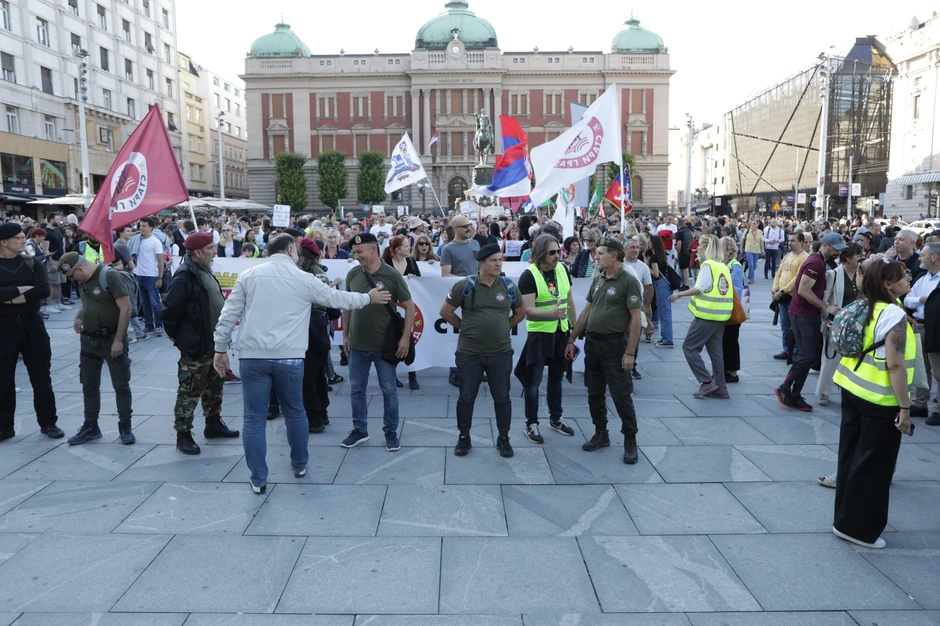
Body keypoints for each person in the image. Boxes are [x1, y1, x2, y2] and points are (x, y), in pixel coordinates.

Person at [213, 234, 387, 494]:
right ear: (292, 250)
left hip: (253, 357)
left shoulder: (249, 276)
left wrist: (219, 348)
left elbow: (229, 314)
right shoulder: (304, 278)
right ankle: (300, 464)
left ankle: (258, 478)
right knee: (295, 411)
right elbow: (337, 300)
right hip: (290, 357)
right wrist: (368, 298)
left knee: (253, 419)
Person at [831, 260, 915, 549]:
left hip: (852, 387)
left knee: (851, 455)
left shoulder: (864, 304)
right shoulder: (893, 315)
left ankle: (843, 519)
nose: (908, 277)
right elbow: (895, 366)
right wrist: (905, 408)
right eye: (903, 275)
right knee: (874, 465)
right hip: (880, 398)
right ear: (887, 284)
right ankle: (858, 529)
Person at [440, 243, 526, 457]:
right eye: (493, 260)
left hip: (501, 352)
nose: (498, 264)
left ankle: (503, 438)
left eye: (500, 259)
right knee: (466, 396)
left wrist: (503, 326)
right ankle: (463, 437)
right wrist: (465, 327)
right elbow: (446, 311)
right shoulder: (465, 285)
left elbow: (521, 312)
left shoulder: (508, 286)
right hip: (469, 352)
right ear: (481, 264)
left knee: (502, 397)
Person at [161, 232, 240, 455]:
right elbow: (168, 313)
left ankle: (213, 424)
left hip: (213, 344)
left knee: (215, 387)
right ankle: (183, 435)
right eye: (210, 249)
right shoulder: (185, 277)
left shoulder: (203, 271)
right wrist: (179, 338)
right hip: (195, 346)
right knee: (189, 391)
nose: (214, 252)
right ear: (198, 252)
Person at [566, 237, 643, 463]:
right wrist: (572, 339)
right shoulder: (599, 278)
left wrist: (629, 353)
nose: (596, 257)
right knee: (594, 392)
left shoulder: (628, 281)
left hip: (615, 345)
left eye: (600, 254)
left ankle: (630, 439)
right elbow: (586, 312)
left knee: (621, 394)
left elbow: (636, 320)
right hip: (594, 344)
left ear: (615, 256)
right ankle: (601, 433)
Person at [342, 233, 415, 451]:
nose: (356, 256)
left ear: (373, 249)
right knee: (356, 389)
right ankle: (359, 430)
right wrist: (345, 336)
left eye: (359, 252)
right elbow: (347, 306)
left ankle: (390, 431)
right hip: (357, 344)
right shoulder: (353, 274)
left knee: (389, 389)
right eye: (355, 252)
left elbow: (409, 307)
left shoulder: (392, 275)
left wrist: (404, 338)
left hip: (384, 345)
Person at [59, 251, 136, 445]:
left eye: (72, 276)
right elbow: (91, 302)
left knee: (120, 384)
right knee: (89, 385)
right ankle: (91, 426)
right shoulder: (83, 280)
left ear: (80, 268)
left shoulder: (109, 275)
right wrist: (79, 316)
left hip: (111, 338)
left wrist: (118, 339)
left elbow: (126, 308)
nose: (72, 281)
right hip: (88, 341)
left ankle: (125, 425)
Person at [0, 224, 62, 441]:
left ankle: (48, 423)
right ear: (4, 242)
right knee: (3, 379)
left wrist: (8, 295)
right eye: (17, 237)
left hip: (32, 324)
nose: (23, 240)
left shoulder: (31, 262)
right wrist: (22, 290)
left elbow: (44, 289)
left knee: (41, 376)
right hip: (4, 326)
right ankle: (4, 427)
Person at [777, 233, 847, 412]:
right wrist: (827, 306)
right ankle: (785, 388)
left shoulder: (819, 261)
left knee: (807, 356)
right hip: (803, 315)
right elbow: (803, 290)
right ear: (824, 246)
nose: (837, 253)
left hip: (807, 315)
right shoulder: (815, 263)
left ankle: (795, 394)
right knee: (807, 356)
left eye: (840, 250)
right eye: (835, 249)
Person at [517, 234, 577, 443]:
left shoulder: (562, 269)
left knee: (556, 378)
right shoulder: (529, 275)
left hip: (561, 332)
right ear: (541, 253)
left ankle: (556, 419)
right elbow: (527, 310)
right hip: (540, 334)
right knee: (533, 382)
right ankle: (531, 424)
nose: (557, 256)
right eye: (552, 252)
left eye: (558, 251)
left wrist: (574, 332)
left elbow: (569, 300)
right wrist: (551, 314)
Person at [668, 234, 733, 399]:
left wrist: (679, 295)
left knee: (689, 347)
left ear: (708, 247)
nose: (697, 248)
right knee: (716, 352)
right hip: (721, 315)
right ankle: (720, 386)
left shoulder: (708, 265)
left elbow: (700, 288)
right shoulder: (722, 265)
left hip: (706, 314)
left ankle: (707, 382)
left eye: (701, 245)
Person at [296, 238, 337, 433]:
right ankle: (322, 412)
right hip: (320, 324)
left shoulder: (299, 274)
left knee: (306, 374)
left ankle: (313, 416)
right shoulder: (322, 274)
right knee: (318, 371)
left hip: (304, 323)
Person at [816, 243, 863, 407]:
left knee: (853, 360)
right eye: (858, 255)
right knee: (830, 359)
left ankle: (849, 393)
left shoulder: (862, 274)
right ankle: (824, 392)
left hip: (857, 324)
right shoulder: (833, 275)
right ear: (848, 258)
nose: (861, 258)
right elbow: (825, 299)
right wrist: (828, 314)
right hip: (836, 323)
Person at [441, 215, 481, 386]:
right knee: (457, 334)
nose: (469, 228)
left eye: (470, 225)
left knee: (478, 332)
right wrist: (467, 281)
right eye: (465, 226)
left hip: (478, 294)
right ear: (456, 228)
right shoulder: (448, 249)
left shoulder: (475, 244)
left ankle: (478, 369)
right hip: (459, 296)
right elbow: (446, 274)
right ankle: (455, 370)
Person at [903, 241, 940, 424]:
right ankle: (920, 403)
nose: (920, 258)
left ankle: (939, 409)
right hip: (918, 325)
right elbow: (908, 300)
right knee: (921, 367)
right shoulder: (923, 278)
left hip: (935, 328)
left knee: (937, 369)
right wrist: (922, 300)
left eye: (923, 254)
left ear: (934, 257)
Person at [382, 235, 421, 390]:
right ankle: (393, 375)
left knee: (411, 341)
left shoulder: (411, 261)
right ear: (397, 249)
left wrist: (414, 278)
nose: (409, 248)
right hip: (391, 309)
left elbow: (420, 281)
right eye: (406, 246)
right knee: (392, 340)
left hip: (410, 307)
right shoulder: (386, 263)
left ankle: (413, 375)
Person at [771, 232, 809, 360]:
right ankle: (787, 349)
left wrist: (782, 291)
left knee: (795, 326)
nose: (790, 243)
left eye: (793, 240)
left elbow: (798, 278)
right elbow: (779, 272)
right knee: (784, 324)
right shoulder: (787, 255)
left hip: (793, 296)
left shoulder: (804, 257)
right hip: (781, 297)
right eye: (789, 240)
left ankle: (796, 351)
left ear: (801, 242)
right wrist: (774, 287)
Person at [134, 217, 166, 336]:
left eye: (144, 226)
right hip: (139, 275)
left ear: (151, 228)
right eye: (140, 226)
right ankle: (149, 325)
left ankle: (158, 324)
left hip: (152, 276)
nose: (141, 228)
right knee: (144, 302)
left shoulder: (155, 242)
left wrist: (160, 277)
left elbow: (160, 261)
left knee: (155, 303)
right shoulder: (138, 240)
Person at [721, 236, 746, 383]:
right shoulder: (724, 264)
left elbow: (736, 289)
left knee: (730, 341)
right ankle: (725, 369)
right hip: (724, 309)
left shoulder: (734, 265)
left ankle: (732, 372)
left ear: (729, 249)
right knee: (725, 341)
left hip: (731, 309)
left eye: (721, 246)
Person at [648, 233, 674, 348]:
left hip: (660, 284)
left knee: (664, 313)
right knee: (665, 312)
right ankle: (665, 338)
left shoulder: (654, 257)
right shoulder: (662, 254)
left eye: (649, 242)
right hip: (666, 284)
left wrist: (646, 266)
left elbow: (656, 273)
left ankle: (667, 340)